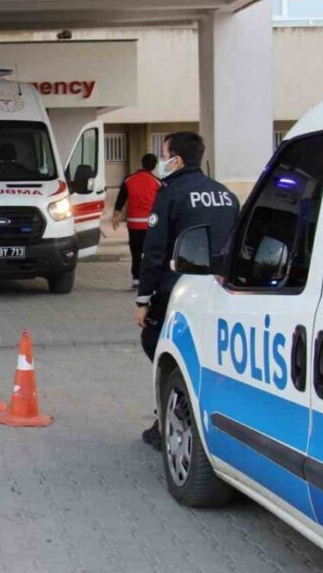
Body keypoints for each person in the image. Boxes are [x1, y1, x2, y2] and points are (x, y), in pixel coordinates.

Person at [134, 132, 239, 450]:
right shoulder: (225, 194)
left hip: (179, 291)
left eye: (164, 154)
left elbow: (154, 251)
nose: (162, 160)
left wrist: (143, 299)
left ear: (176, 159)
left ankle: (170, 419)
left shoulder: (170, 194)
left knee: (158, 344)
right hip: (221, 291)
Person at [111, 153, 161, 289]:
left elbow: (121, 198)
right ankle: (149, 278)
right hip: (150, 224)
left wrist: (116, 214)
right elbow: (161, 203)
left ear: (142, 163)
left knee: (135, 251)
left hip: (133, 223)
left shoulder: (129, 180)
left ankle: (136, 278)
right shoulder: (157, 182)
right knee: (150, 252)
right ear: (154, 166)